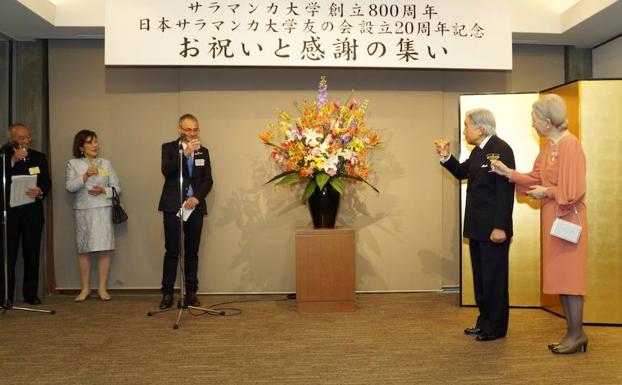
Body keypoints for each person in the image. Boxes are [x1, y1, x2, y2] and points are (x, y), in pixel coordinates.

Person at [491, 94, 588, 354]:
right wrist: (508, 173)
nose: (532, 124)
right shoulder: (548, 147)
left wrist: (546, 192)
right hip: (552, 219)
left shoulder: (570, 145)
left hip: (569, 221)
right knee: (560, 278)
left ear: (547, 120)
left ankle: (576, 334)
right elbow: (535, 177)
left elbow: (573, 190)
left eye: (534, 119)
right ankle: (573, 332)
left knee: (571, 279)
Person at [435, 108, 515, 342]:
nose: (464, 130)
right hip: (477, 228)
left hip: (493, 229)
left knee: (494, 279)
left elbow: (505, 191)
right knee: (481, 279)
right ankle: (484, 322)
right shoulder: (479, 151)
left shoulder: (501, 150)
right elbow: (462, 172)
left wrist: (500, 226)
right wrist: (446, 156)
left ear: (480, 128)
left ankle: (497, 327)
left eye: (466, 125)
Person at [158, 114, 213, 309]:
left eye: (195, 129)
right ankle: (167, 293)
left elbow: (208, 179)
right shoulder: (169, 148)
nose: (192, 133)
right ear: (180, 129)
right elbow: (167, 171)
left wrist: (197, 197)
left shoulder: (204, 151)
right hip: (173, 206)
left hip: (194, 207)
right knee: (172, 251)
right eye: (188, 129)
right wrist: (186, 154)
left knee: (192, 252)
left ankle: (191, 292)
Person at [65, 130, 121, 302]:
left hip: (103, 210)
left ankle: (102, 288)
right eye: (90, 142)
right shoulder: (73, 164)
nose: (95, 145)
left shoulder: (106, 163)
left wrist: (103, 190)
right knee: (85, 250)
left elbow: (117, 188)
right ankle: (85, 288)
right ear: (81, 147)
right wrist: (85, 176)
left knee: (104, 250)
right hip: (84, 211)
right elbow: (69, 187)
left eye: (96, 141)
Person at [0, 123, 51, 307]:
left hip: (32, 213)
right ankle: (7, 296)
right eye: (22, 138)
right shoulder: (4, 155)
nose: (26, 141)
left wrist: (40, 191)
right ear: (12, 139)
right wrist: (13, 159)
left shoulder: (38, 156)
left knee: (32, 255)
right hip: (10, 216)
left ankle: (31, 294)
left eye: (28, 137)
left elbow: (46, 182)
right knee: (8, 257)